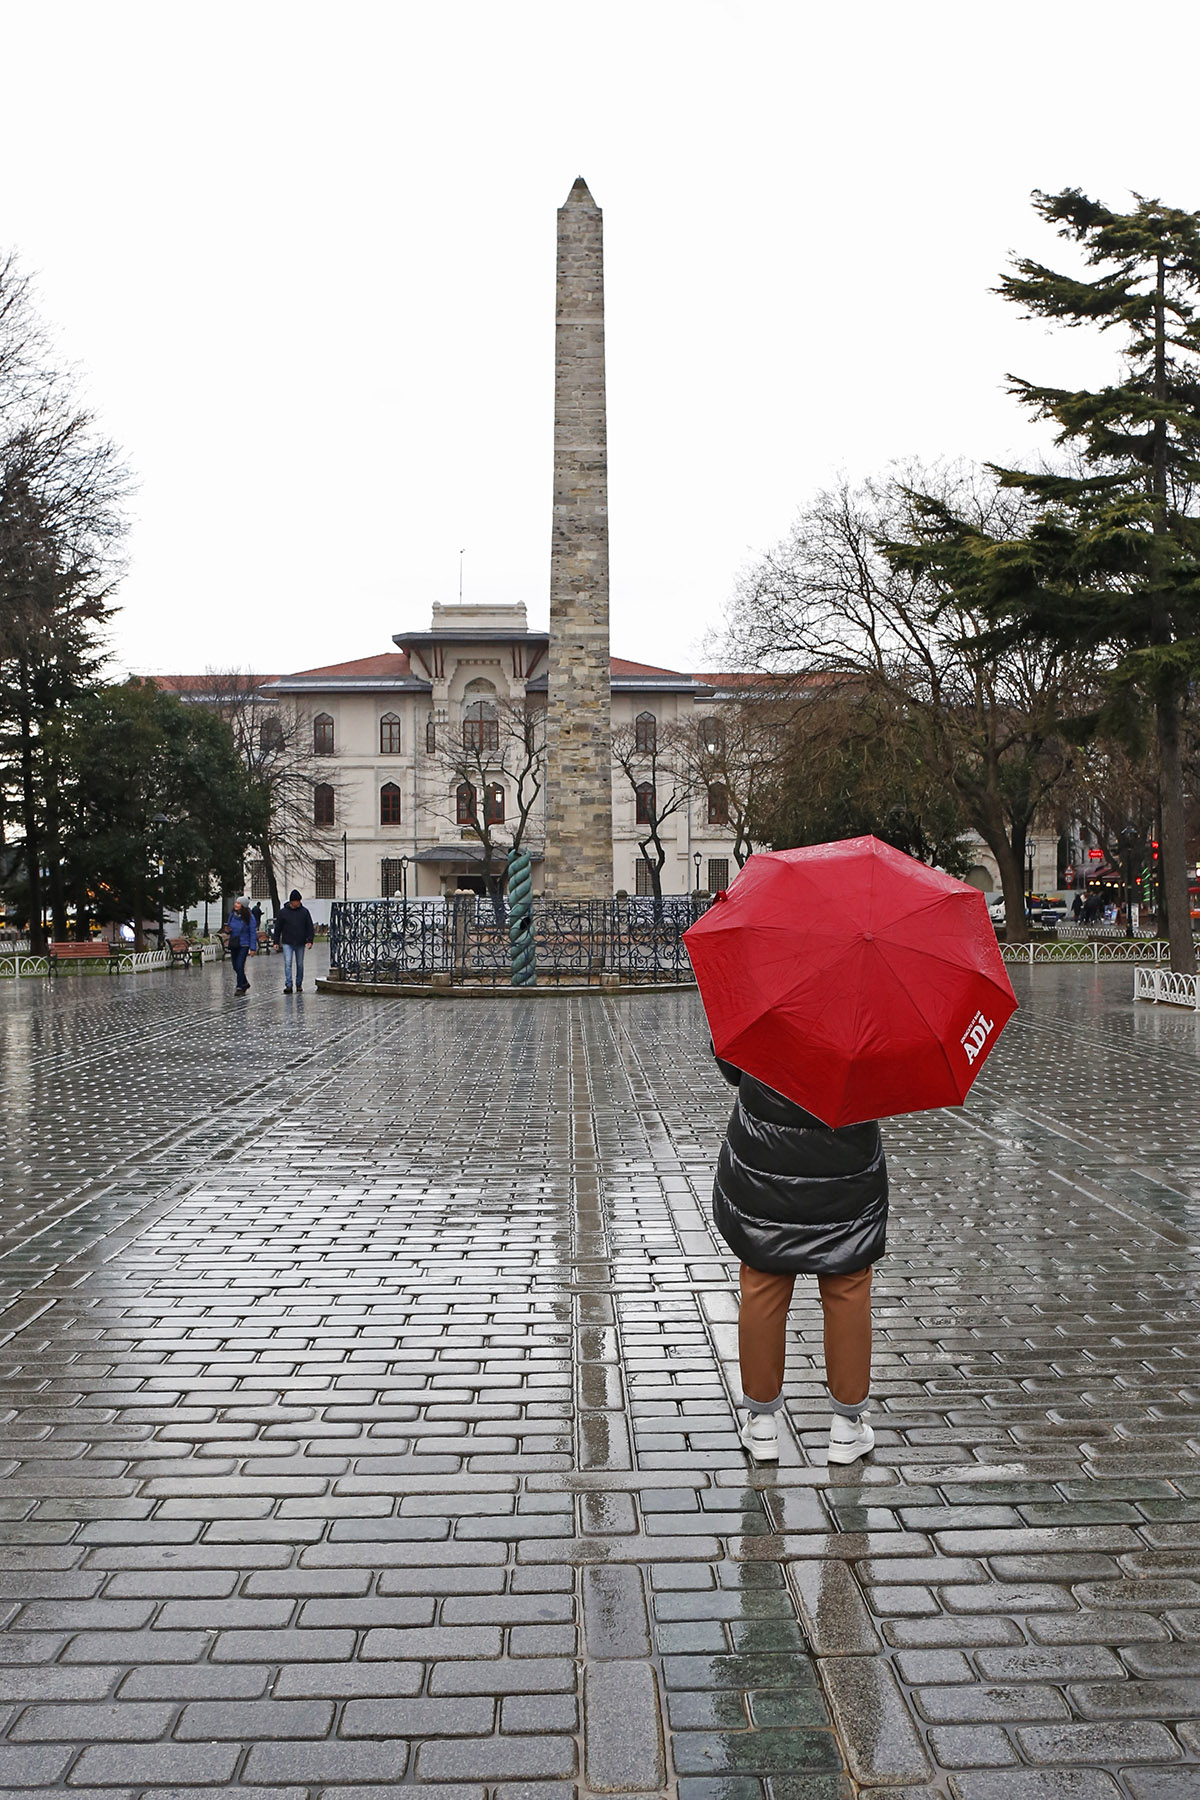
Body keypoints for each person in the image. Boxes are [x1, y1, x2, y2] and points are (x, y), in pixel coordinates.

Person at [712, 1050, 888, 1465]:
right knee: (847, 1280)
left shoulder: (762, 1004)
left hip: (766, 1152)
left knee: (764, 1278)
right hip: (846, 1151)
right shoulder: (868, 1009)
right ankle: (847, 1426)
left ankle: (761, 1423)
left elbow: (733, 1065)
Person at [273, 889, 315, 993]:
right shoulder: (283, 912)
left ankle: (299, 983)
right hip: (287, 941)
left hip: (300, 942)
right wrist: (276, 941)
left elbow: (309, 926)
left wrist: (310, 940)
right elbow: (278, 927)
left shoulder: (304, 912)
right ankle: (289, 984)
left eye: (299, 901)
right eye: (297, 901)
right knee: (288, 963)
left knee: (300, 964)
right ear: (292, 901)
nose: (298, 903)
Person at [226, 897, 258, 995]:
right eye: (236, 902)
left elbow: (252, 933)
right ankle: (245, 983)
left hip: (244, 944)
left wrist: (253, 948)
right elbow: (229, 927)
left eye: (238, 903)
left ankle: (239, 987)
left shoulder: (249, 917)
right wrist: (228, 930)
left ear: (243, 906)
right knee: (235, 966)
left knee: (240, 965)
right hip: (234, 943)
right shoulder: (232, 915)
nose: (236, 904)